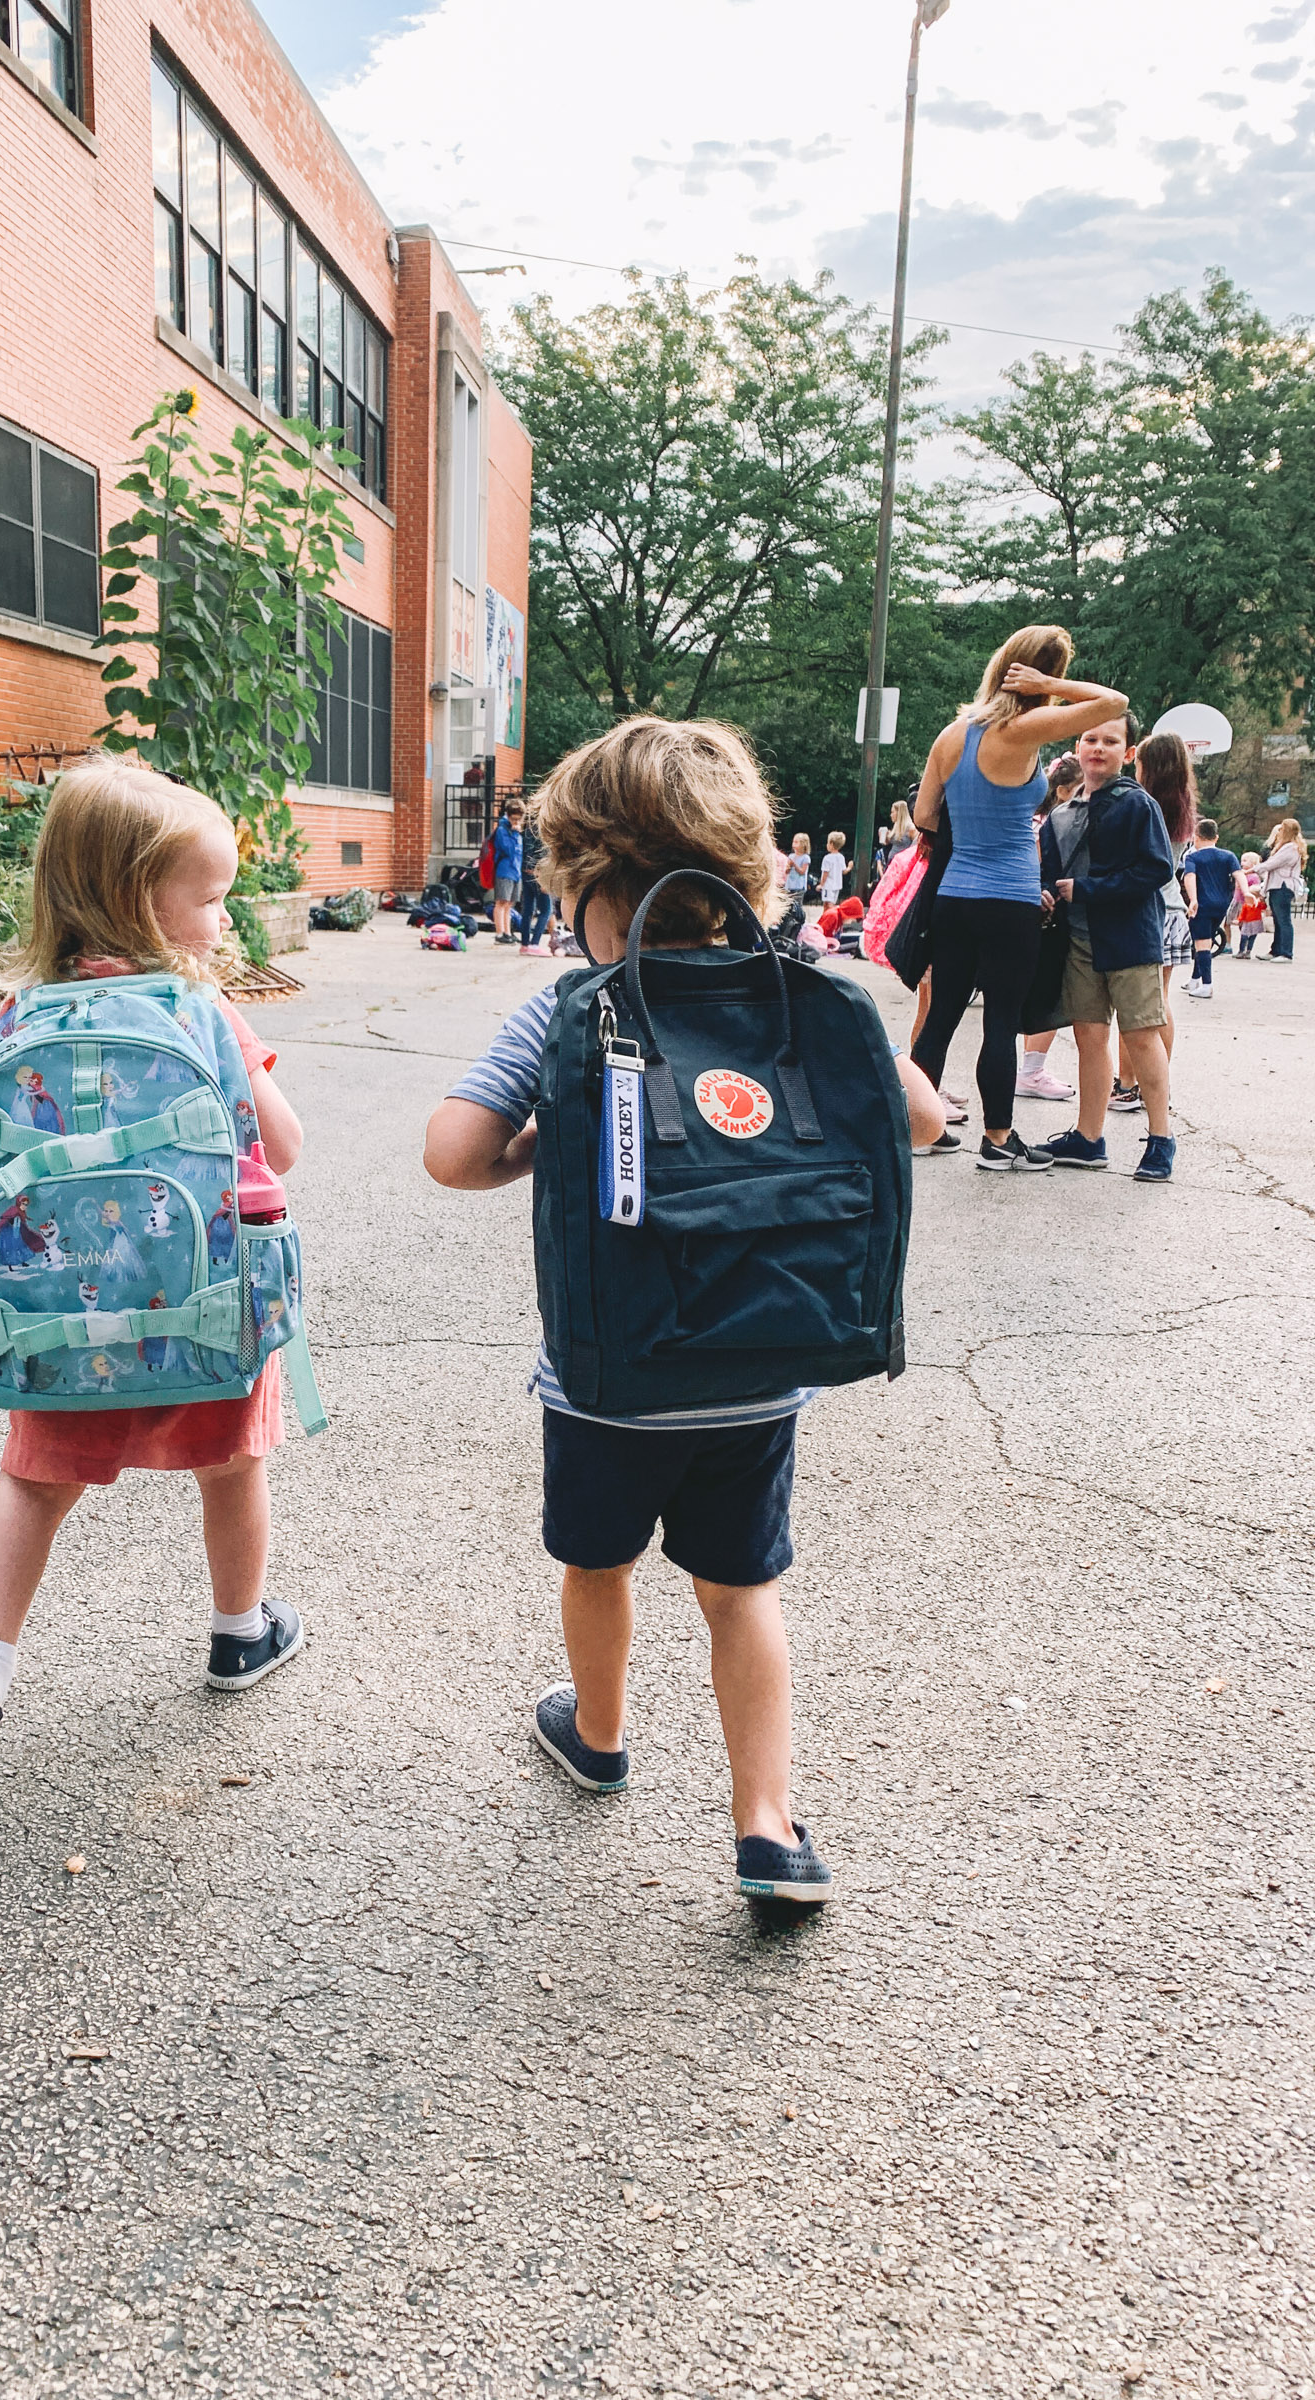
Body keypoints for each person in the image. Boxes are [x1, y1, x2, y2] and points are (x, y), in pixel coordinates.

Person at [423, 717, 944, 1906]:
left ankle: (597, 1741)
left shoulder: (575, 1006)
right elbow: (921, 1122)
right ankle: (768, 1825)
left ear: (592, 887)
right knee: (742, 1592)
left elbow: (453, 1155)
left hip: (609, 1383)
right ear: (749, 872)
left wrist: (542, 1151)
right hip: (765, 1364)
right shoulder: (813, 993)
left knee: (598, 1563)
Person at [0, 762, 308, 1780]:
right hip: (197, 1313)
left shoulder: (20, 1015)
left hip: (55, 1321)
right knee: (233, 1467)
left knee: (32, 1487)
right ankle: (238, 1630)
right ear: (143, 901)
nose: (224, 921)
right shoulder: (205, 1012)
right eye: (210, 900)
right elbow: (285, 1148)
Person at [911, 626, 1130, 1171]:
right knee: (1002, 1022)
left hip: (954, 895)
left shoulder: (953, 733)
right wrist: (1050, 683)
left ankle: (915, 1126)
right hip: (1008, 901)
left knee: (940, 1018)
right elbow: (1115, 703)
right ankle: (999, 1138)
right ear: (1038, 674)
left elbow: (923, 816)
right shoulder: (1026, 727)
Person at [1036, 714, 1177, 1182]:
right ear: (1077, 746)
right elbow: (1048, 873)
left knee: (1141, 1036)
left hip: (1130, 940)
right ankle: (1089, 1137)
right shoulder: (1060, 813)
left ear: (1129, 752)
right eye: (1090, 738)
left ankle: (1161, 1138)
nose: (1098, 748)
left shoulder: (1138, 805)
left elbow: (1157, 869)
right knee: (1089, 1039)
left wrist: (1088, 890)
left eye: (1110, 741)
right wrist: (1044, 895)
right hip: (1077, 942)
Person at [1111, 731, 1197, 1108]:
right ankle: (1152, 1084)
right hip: (1174, 910)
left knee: (1135, 1009)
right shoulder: (1183, 806)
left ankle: (1128, 1082)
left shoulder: (1144, 806)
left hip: (1148, 912)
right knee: (1158, 1005)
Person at [1015, 753, 1087, 1104]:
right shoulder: (1054, 824)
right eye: (1080, 790)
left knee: (1037, 993)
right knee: (1051, 994)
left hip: (1031, 914)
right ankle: (1031, 1070)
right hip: (1048, 915)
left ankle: (1030, 1069)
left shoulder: (1034, 819)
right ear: (1062, 791)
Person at [1180, 815, 1241, 999]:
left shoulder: (1193, 857)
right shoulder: (1228, 855)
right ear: (1216, 837)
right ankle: (1195, 978)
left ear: (1195, 837)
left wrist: (1192, 899)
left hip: (1202, 903)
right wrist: (1246, 893)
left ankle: (1207, 984)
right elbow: (1238, 876)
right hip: (1221, 903)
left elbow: (1189, 878)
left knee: (1201, 943)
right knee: (1205, 940)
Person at [1261, 818, 1306, 961]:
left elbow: (1272, 864)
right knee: (1278, 920)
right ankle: (1276, 949)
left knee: (1283, 920)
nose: (1279, 831)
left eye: (1282, 829)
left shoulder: (1290, 848)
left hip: (1283, 886)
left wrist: (1250, 870)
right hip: (1277, 885)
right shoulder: (1286, 846)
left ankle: (1286, 953)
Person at [517, 807, 554, 956]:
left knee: (527, 910)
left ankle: (524, 944)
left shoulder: (525, 829)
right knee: (546, 910)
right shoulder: (542, 829)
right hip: (538, 873)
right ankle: (535, 943)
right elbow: (543, 853)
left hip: (525, 871)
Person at [490, 799, 525, 944]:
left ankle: (507, 931)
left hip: (516, 870)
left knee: (510, 903)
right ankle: (499, 933)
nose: (516, 822)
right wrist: (515, 834)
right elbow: (508, 849)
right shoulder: (502, 830)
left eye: (519, 819)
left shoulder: (515, 830)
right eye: (513, 818)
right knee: (501, 902)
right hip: (505, 870)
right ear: (508, 816)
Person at [1234, 854, 1265, 957]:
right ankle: (1244, 951)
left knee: (1247, 936)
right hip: (1251, 921)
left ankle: (1245, 951)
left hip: (1251, 921)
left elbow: (1263, 907)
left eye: (1245, 861)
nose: (1242, 863)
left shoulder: (1252, 904)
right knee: (1248, 936)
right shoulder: (1250, 905)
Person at [818, 831, 849, 908]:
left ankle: (829, 918)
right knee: (830, 903)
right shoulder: (841, 857)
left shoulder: (827, 858)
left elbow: (825, 873)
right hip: (837, 885)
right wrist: (850, 867)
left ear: (831, 844)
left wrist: (821, 885)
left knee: (828, 905)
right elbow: (844, 871)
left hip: (828, 885)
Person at [782, 830, 814, 904]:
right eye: (794, 841)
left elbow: (802, 872)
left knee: (797, 905)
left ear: (803, 844)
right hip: (789, 885)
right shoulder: (791, 856)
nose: (794, 844)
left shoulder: (805, 858)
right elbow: (787, 872)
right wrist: (788, 866)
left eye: (796, 842)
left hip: (799, 886)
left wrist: (794, 865)